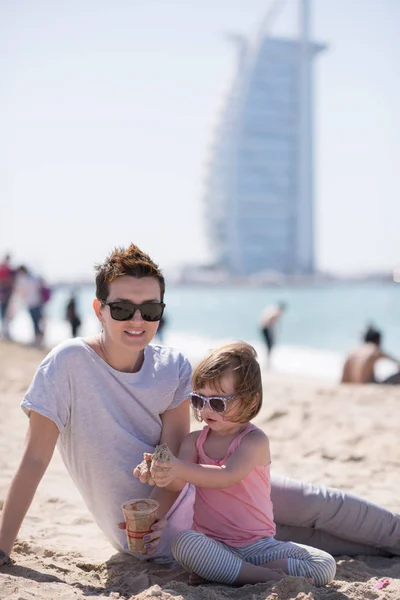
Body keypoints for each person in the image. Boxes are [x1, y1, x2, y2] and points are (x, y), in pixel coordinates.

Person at [0, 243, 399, 570]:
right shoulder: (67, 362)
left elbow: (178, 455)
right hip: (161, 532)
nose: (137, 320)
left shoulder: (171, 366)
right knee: (311, 539)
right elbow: (34, 459)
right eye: (122, 309)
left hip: (205, 488)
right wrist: (3, 548)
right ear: (98, 309)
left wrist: (161, 489)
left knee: (322, 505)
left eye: (151, 310)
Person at [142, 342, 337, 587]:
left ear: (249, 402)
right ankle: (261, 577)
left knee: (324, 565)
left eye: (217, 403)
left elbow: (227, 475)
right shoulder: (194, 441)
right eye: (198, 400)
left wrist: (178, 467)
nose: (205, 410)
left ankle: (234, 572)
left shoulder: (254, 441)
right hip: (213, 545)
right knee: (184, 543)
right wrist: (160, 471)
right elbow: (177, 484)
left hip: (260, 546)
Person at [13, 265, 45, 347]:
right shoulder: (34, 277)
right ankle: (40, 339)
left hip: (31, 303)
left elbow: (21, 292)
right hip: (38, 302)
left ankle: (37, 340)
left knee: (35, 322)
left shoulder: (24, 280)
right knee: (38, 321)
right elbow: (40, 288)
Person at [259, 302, 286, 368]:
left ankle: (267, 362)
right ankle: (267, 363)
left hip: (265, 328)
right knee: (269, 346)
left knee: (269, 346)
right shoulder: (276, 313)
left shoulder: (273, 311)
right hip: (266, 329)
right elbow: (268, 322)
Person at [0, 254, 15, 339]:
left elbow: (11, 282)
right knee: (4, 314)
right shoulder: (4, 269)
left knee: (7, 314)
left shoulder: (9, 270)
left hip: (7, 294)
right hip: (4, 294)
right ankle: (4, 332)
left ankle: (5, 331)